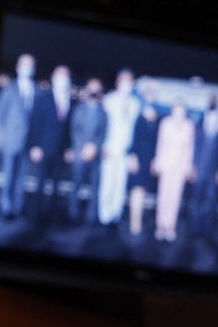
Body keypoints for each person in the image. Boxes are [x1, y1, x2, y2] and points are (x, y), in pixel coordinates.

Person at [0, 53, 37, 219]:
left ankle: (18, 208)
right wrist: (8, 133)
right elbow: (0, 114)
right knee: (8, 175)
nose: (28, 67)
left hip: (28, 142)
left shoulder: (35, 90)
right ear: (18, 67)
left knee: (22, 178)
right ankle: (6, 208)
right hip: (11, 140)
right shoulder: (9, 89)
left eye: (31, 64)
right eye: (25, 64)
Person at [25, 65, 73, 221]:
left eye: (66, 76)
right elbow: (34, 123)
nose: (63, 79)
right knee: (40, 183)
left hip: (60, 151)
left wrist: (68, 148)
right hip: (43, 148)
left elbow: (69, 129)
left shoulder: (70, 101)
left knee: (56, 185)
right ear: (53, 78)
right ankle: (35, 215)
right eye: (60, 75)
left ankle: (52, 215)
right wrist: (34, 146)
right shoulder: (43, 98)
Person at [98, 69, 141, 226]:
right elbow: (102, 125)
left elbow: (136, 129)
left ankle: (115, 215)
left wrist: (133, 152)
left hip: (126, 150)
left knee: (120, 183)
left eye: (129, 81)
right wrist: (103, 146)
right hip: (109, 148)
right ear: (118, 82)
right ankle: (104, 215)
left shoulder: (135, 104)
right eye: (124, 81)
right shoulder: (109, 100)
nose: (127, 84)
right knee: (107, 182)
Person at [151, 101, 195, 241]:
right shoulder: (165, 123)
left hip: (180, 166)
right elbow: (160, 144)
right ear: (172, 111)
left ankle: (170, 227)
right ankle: (160, 226)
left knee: (175, 197)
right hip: (166, 163)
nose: (178, 114)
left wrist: (188, 166)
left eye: (181, 111)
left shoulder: (189, 126)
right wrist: (157, 162)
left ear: (184, 112)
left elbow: (189, 148)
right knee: (163, 195)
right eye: (176, 111)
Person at [68, 78, 107, 225]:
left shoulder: (103, 111)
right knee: (76, 184)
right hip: (80, 152)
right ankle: (73, 214)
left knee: (94, 186)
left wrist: (94, 146)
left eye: (97, 89)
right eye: (92, 88)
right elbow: (74, 130)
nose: (94, 92)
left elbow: (103, 132)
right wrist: (83, 147)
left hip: (95, 154)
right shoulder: (79, 109)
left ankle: (91, 217)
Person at [189, 93, 218, 236]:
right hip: (199, 167)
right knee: (196, 199)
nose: (213, 102)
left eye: (215, 100)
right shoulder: (199, 120)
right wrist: (192, 166)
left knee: (211, 200)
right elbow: (193, 146)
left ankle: (207, 230)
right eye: (211, 99)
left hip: (214, 168)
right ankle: (194, 228)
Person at [127, 93, 160, 236]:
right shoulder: (139, 119)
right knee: (137, 192)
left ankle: (137, 220)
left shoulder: (156, 121)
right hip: (138, 159)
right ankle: (134, 223)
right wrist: (133, 156)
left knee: (142, 192)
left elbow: (157, 144)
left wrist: (154, 160)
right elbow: (133, 139)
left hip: (148, 161)